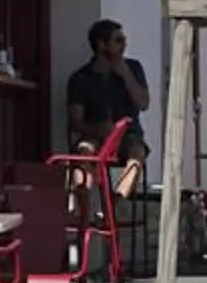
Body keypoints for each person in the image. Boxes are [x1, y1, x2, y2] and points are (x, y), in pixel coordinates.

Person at [65, 19, 153, 199]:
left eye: (124, 40)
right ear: (101, 44)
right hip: (95, 137)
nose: (124, 46)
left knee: (137, 153)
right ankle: (83, 215)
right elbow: (75, 122)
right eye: (117, 41)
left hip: (128, 136)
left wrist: (126, 75)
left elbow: (143, 104)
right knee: (84, 151)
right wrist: (97, 128)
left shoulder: (133, 68)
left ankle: (115, 206)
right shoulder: (81, 78)